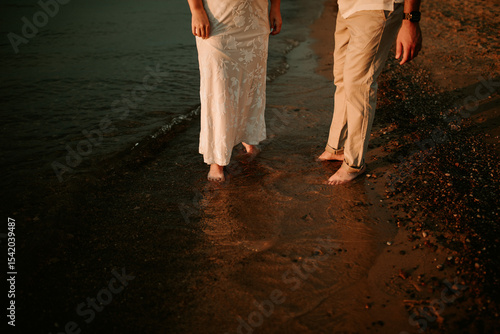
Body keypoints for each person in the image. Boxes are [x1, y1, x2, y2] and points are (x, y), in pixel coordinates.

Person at [318, 0, 422, 184]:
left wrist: (410, 20)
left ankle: (354, 163)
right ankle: (336, 147)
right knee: (342, 78)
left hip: (378, 7)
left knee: (359, 83)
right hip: (347, 7)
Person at [187, 0, 282, 182]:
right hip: (218, 18)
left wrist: (275, 7)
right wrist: (196, 9)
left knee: (251, 81)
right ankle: (217, 159)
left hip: (255, 17)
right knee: (218, 86)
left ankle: (247, 135)